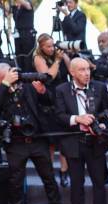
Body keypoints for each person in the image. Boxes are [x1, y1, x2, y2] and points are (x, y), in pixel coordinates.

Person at [0, 63, 64, 204]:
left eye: (12, 73)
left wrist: (43, 92)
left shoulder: (28, 87)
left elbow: (50, 102)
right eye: (7, 74)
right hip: (15, 143)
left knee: (48, 177)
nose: (13, 76)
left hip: (37, 140)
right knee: (15, 181)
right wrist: (5, 85)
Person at [55, 58, 108, 204]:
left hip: (96, 141)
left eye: (88, 69)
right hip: (74, 140)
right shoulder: (62, 90)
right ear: (72, 72)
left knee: (99, 181)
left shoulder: (99, 87)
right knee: (76, 181)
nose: (87, 73)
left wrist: (103, 124)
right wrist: (77, 119)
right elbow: (59, 116)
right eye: (81, 70)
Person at [33, 33, 72, 187]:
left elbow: (71, 70)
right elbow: (49, 77)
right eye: (48, 46)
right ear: (41, 47)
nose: (51, 48)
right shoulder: (38, 58)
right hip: (48, 101)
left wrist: (66, 55)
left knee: (64, 140)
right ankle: (49, 173)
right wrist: (57, 60)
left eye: (53, 45)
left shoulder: (59, 55)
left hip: (63, 98)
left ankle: (64, 172)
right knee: (50, 142)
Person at [0, 0, 36, 72]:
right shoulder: (15, 8)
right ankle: (21, 73)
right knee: (18, 56)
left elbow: (24, 3)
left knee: (28, 56)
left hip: (28, 34)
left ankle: (29, 74)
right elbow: (2, 7)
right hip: (18, 35)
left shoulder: (28, 5)